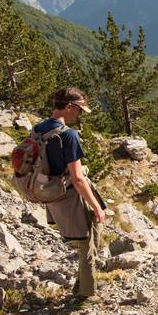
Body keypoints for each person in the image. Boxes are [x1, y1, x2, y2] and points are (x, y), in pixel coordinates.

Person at [34, 86, 107, 299]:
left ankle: (81, 286)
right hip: (72, 196)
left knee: (85, 243)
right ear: (69, 106)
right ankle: (86, 296)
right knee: (88, 244)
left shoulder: (39, 129)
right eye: (79, 109)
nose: (80, 114)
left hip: (52, 195)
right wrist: (96, 206)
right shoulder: (69, 136)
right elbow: (77, 178)